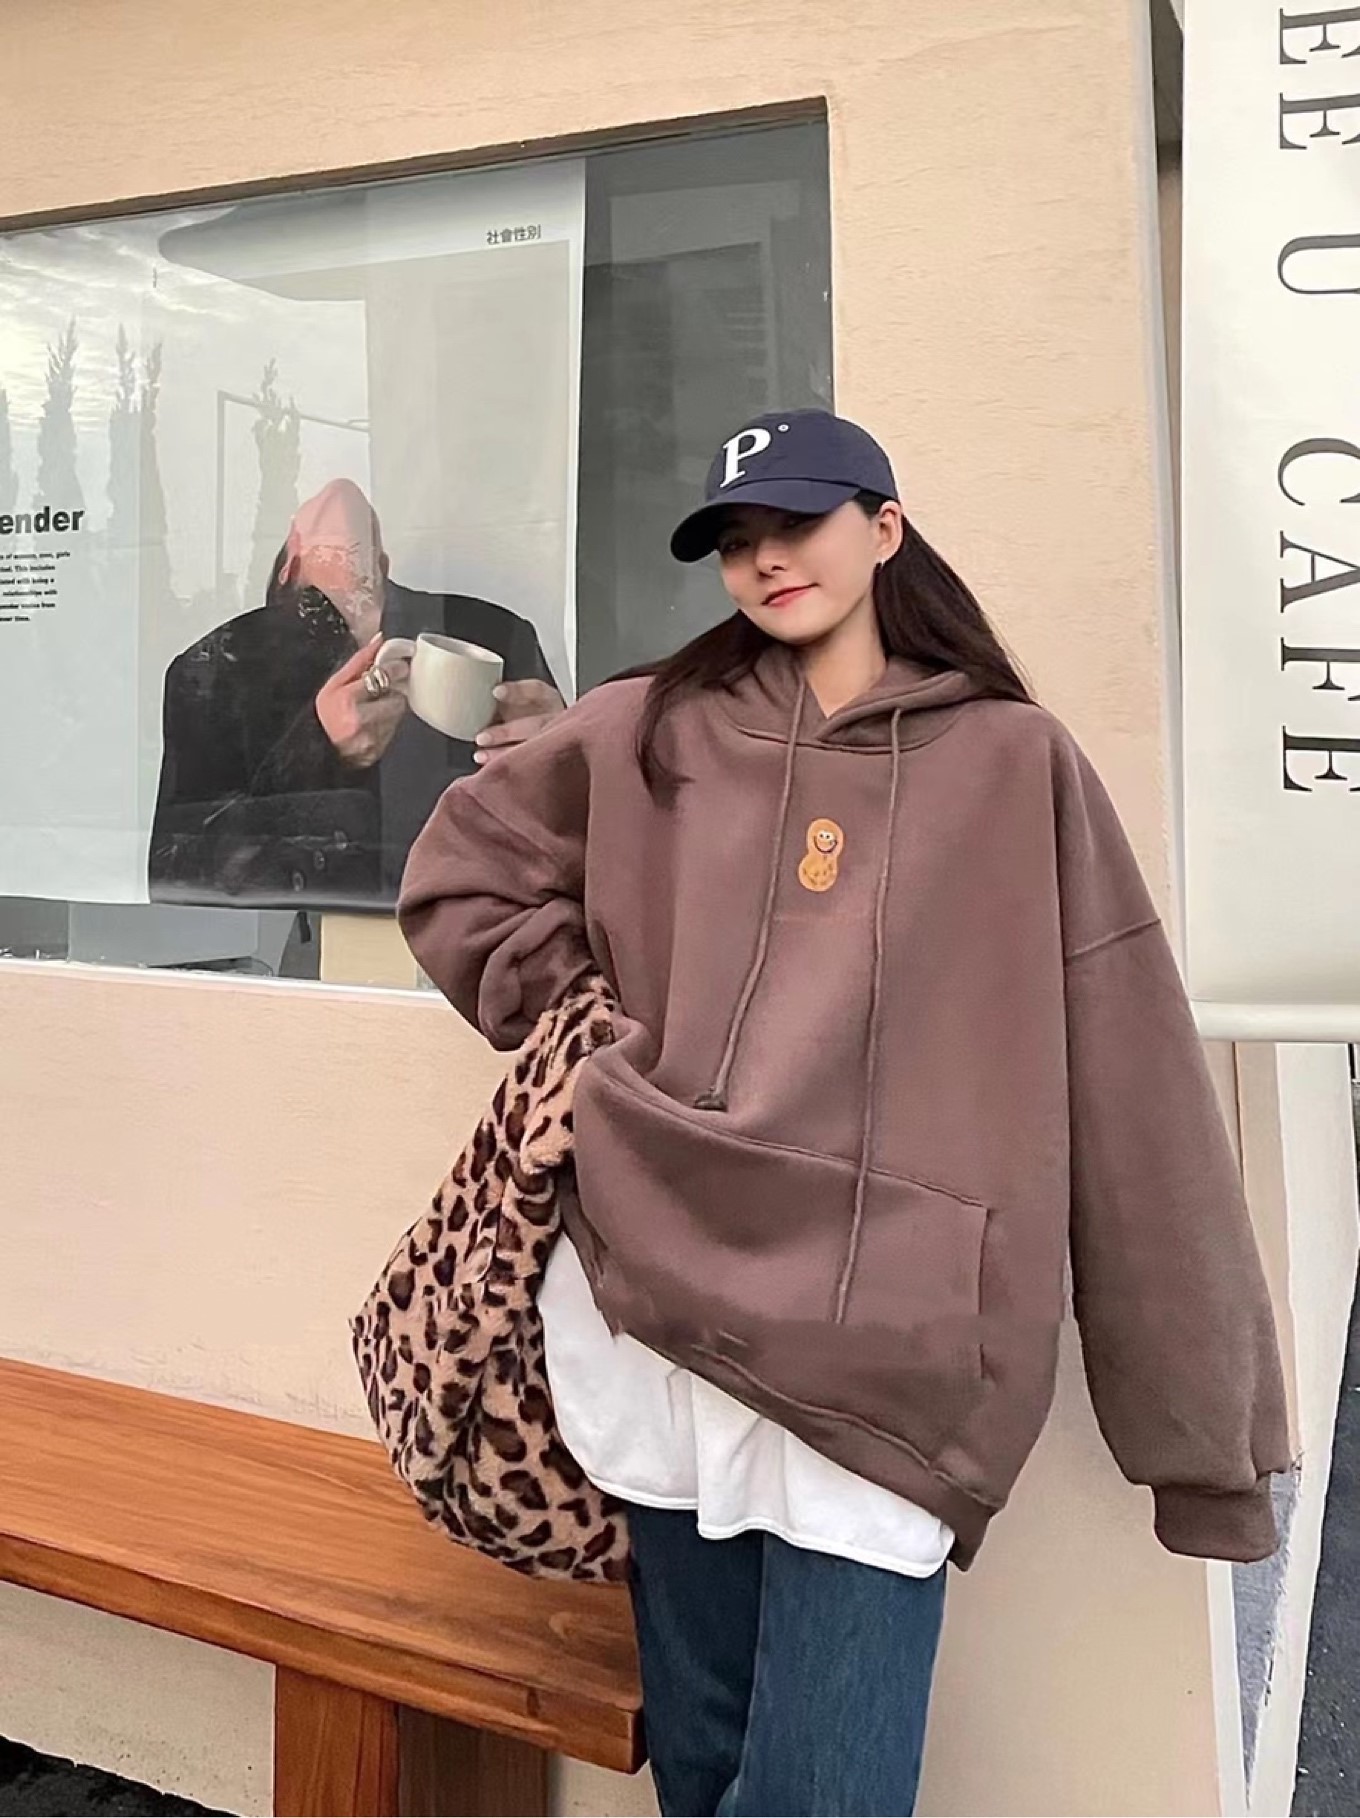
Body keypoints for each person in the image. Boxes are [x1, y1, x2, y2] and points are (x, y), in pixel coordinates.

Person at [397, 410, 1289, 1817]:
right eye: (735, 540)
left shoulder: (1011, 763)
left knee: (825, 1796)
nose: (765, 559)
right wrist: (590, 1037)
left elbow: (1133, 1087)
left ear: (884, 527)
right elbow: (462, 879)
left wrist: (1204, 1445)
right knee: (702, 1771)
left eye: (797, 523)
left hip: (889, 1361)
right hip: (663, 1315)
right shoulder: (651, 728)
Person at [149, 477, 565, 907]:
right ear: (289, 568)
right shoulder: (217, 668)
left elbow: (570, 845)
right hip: (308, 939)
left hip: (484, 927)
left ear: (382, 563)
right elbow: (179, 872)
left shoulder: (492, 634)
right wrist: (317, 749)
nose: (338, 488)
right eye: (322, 551)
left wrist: (568, 757)